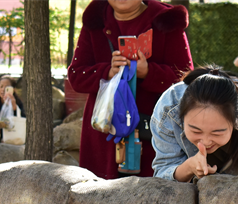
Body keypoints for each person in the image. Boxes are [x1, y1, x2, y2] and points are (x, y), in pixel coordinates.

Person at [68, 0, 193, 179]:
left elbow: (186, 79)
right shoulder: (95, 20)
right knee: (98, 197)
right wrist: (107, 71)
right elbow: (76, 75)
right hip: (104, 132)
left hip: (153, 132)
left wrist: (149, 72)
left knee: (151, 197)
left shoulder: (165, 20)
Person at [151, 66, 238, 187]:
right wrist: (189, 167)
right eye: (195, 131)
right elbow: (163, 175)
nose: (205, 142)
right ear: (181, 117)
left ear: (237, 122)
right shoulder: (168, 110)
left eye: (217, 133)